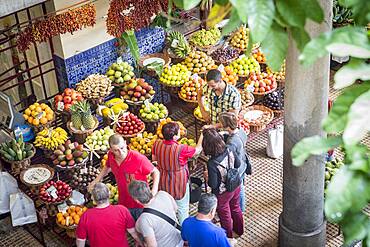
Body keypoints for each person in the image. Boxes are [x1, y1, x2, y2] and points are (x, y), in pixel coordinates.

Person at [88, 134, 160, 220]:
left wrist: (153, 192)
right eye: (116, 150)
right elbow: (107, 166)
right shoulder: (111, 156)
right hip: (123, 200)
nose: (121, 153)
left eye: (122, 148)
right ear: (111, 150)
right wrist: (96, 180)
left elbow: (155, 172)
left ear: (126, 143)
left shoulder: (138, 158)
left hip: (139, 203)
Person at [152, 122, 203, 224]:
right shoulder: (181, 149)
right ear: (175, 136)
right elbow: (197, 150)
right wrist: (202, 135)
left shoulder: (156, 143)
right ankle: (184, 232)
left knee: (167, 205)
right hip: (179, 181)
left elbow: (154, 159)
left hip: (163, 179)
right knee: (182, 207)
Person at [202, 128, 244, 240]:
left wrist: (207, 177)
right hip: (236, 184)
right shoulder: (230, 148)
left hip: (223, 192)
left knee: (225, 215)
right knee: (236, 207)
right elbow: (238, 164)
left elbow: (214, 184)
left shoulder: (212, 163)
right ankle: (240, 230)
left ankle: (228, 237)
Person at [76, 183, 142, 247]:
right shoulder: (122, 210)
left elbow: (80, 241)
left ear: (93, 198)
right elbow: (133, 232)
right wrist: (141, 243)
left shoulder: (86, 216)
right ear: (109, 194)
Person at [129, 180, 183, 247]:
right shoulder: (162, 194)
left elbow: (152, 245)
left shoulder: (144, 219)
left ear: (136, 200)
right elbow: (175, 208)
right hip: (179, 239)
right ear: (148, 189)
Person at [218, 112, 249, 212]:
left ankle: (241, 208)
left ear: (226, 126)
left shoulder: (231, 143)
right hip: (244, 162)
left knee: (239, 189)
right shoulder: (241, 132)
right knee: (242, 184)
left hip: (237, 168)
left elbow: (229, 156)